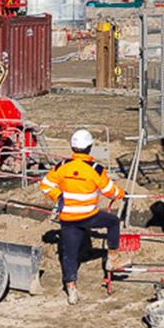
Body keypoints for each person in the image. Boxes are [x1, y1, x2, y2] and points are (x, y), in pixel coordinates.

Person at [40, 128, 128, 305]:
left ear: (73, 148)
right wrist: (121, 193)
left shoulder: (62, 167)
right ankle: (112, 257)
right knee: (113, 222)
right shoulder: (95, 169)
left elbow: (45, 185)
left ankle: (71, 288)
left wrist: (59, 195)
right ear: (90, 147)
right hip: (89, 216)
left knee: (69, 255)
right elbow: (109, 191)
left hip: (68, 219)